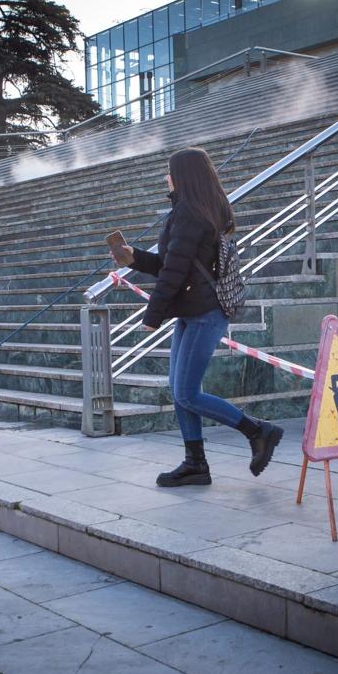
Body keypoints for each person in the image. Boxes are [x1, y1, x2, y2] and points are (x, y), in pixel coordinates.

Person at [116, 147, 284, 487]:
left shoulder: (190, 213)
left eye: (169, 171)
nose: (166, 177)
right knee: (179, 389)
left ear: (183, 175)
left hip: (204, 312)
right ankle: (196, 463)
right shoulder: (192, 210)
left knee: (187, 393)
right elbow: (171, 262)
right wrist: (133, 258)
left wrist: (153, 315)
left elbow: (174, 271)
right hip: (193, 310)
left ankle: (258, 431)